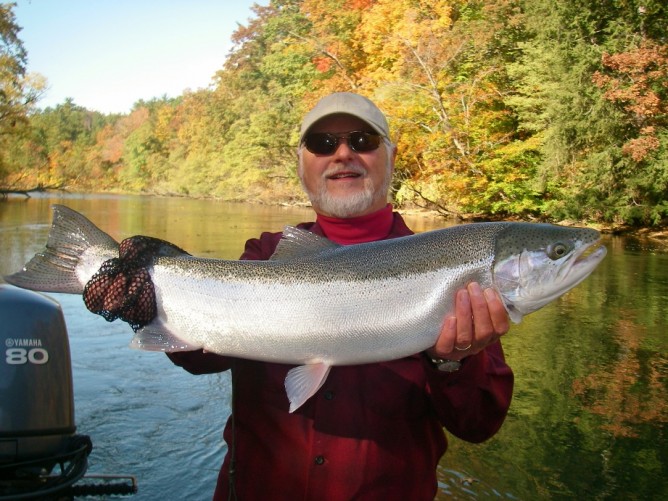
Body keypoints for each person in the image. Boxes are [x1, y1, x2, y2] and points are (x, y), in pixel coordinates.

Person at [168, 92, 514, 500]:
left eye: (363, 141)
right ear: (301, 163)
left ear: (392, 156)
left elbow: (478, 424)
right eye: (323, 144)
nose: (343, 154)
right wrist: (145, 304)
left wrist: (452, 361)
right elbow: (199, 357)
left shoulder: (451, 269)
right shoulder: (265, 255)